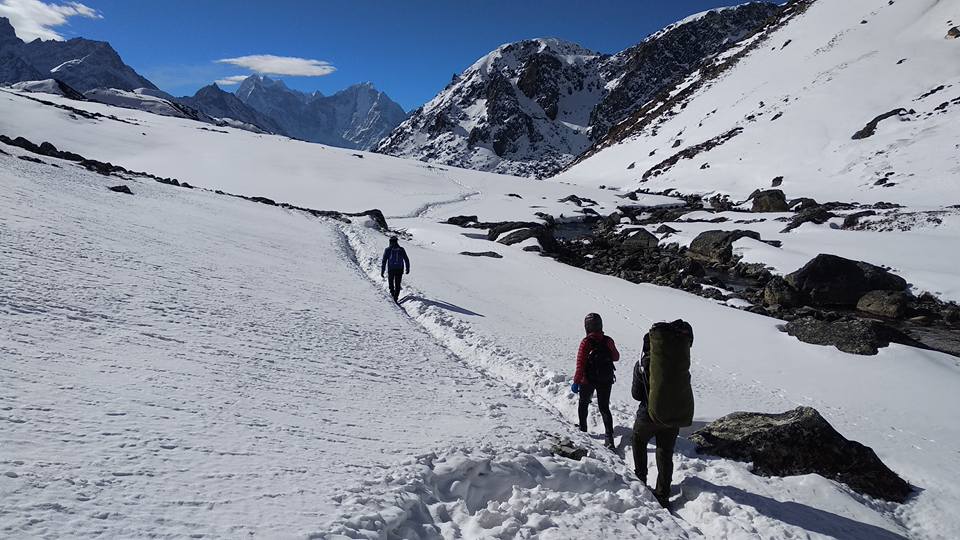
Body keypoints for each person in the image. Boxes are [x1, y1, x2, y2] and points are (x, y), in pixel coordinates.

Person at [631, 320, 695, 509]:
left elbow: (636, 395)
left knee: (638, 439)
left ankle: (640, 477)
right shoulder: (677, 363)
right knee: (665, 452)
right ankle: (663, 494)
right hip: (672, 414)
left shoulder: (643, 363)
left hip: (647, 414)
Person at [571, 313, 620, 449]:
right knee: (604, 408)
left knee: (583, 403)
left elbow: (580, 364)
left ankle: (583, 429)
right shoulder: (608, 340)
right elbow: (616, 357)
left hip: (588, 380)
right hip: (606, 379)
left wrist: (576, 381)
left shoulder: (586, 342)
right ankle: (609, 438)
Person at [380, 237, 410, 303]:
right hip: (400, 269)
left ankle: (392, 293)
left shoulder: (388, 250)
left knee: (391, 282)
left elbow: (384, 261)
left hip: (391, 269)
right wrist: (407, 268)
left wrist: (382, 271)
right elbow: (406, 259)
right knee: (398, 283)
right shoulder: (401, 249)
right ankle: (396, 297)